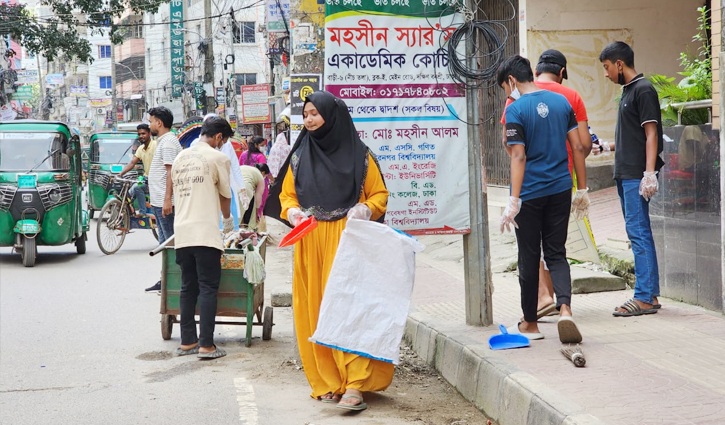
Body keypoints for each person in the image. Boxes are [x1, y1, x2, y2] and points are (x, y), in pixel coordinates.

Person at [266, 91, 391, 411]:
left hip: (348, 243)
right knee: (317, 311)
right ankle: (328, 380)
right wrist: (293, 213)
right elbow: (288, 197)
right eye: (305, 114)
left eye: (314, 114)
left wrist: (365, 209)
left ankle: (356, 383)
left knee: (350, 310)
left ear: (331, 116)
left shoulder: (360, 156)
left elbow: (379, 195)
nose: (308, 119)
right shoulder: (299, 157)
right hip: (311, 242)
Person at [497, 55, 589, 343]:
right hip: (561, 189)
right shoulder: (562, 103)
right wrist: (582, 189)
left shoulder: (515, 109)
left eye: (504, 87)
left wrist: (513, 200)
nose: (506, 93)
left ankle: (531, 324)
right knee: (556, 252)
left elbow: (518, 155)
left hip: (531, 194)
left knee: (528, 256)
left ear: (512, 80)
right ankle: (564, 309)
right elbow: (578, 147)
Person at [599, 41, 664, 317]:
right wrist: (607, 146)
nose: (606, 74)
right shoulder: (628, 92)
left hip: (635, 175)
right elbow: (633, 136)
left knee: (639, 234)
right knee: (637, 233)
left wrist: (649, 173)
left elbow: (652, 134)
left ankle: (645, 297)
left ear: (619, 64)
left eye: (606, 68)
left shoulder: (644, 89)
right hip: (624, 173)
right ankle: (649, 293)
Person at [171, 116, 234, 359]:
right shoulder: (218, 157)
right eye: (223, 140)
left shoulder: (180, 158)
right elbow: (225, 195)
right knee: (208, 288)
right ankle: (207, 345)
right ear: (219, 137)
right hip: (205, 233)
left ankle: (187, 341)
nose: (222, 145)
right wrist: (227, 219)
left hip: (183, 233)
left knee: (188, 287)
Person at [146, 106, 183, 292]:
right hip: (159, 201)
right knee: (164, 243)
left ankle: (173, 283)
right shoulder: (164, 141)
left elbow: (171, 173)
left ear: (159, 123)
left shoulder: (168, 142)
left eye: (151, 121)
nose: (149, 124)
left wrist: (168, 199)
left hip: (165, 202)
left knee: (169, 243)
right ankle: (165, 280)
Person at [118, 123, 156, 217]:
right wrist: (121, 174)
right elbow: (132, 163)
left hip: (155, 180)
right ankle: (128, 216)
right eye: (139, 134)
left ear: (149, 134)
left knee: (137, 187)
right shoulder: (140, 148)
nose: (141, 136)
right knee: (128, 193)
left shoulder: (155, 145)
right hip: (144, 178)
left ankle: (143, 212)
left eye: (143, 133)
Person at [239, 163, 269, 230]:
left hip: (232, 187)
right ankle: (246, 231)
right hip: (246, 188)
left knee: (236, 214)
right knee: (248, 214)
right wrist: (256, 212)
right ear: (263, 173)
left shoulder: (245, 167)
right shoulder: (260, 176)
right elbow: (258, 197)